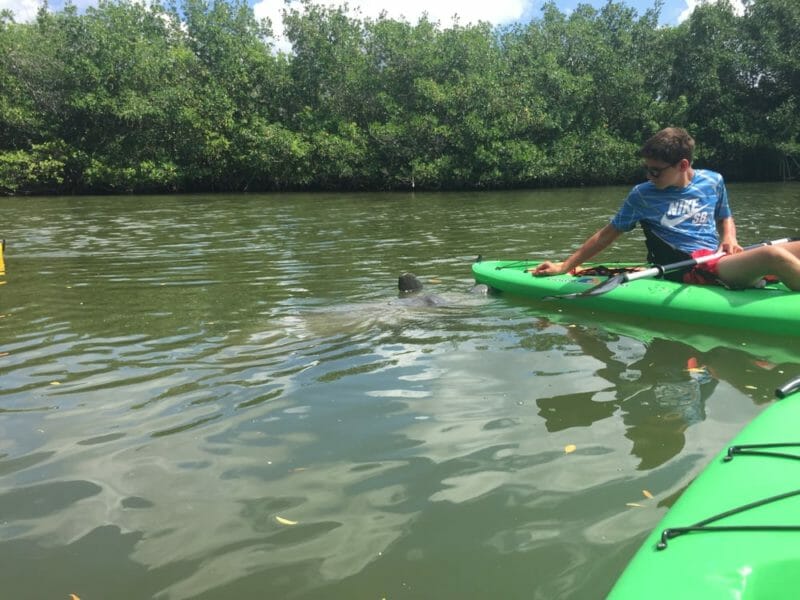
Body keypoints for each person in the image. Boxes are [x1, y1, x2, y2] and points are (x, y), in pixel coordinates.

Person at [531, 127, 800, 290]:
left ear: (682, 165)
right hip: (688, 268)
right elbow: (606, 235)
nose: (649, 176)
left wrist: (729, 238)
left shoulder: (713, 180)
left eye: (656, 171)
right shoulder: (642, 195)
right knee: (773, 256)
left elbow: (724, 216)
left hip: (719, 258)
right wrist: (565, 266)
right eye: (646, 169)